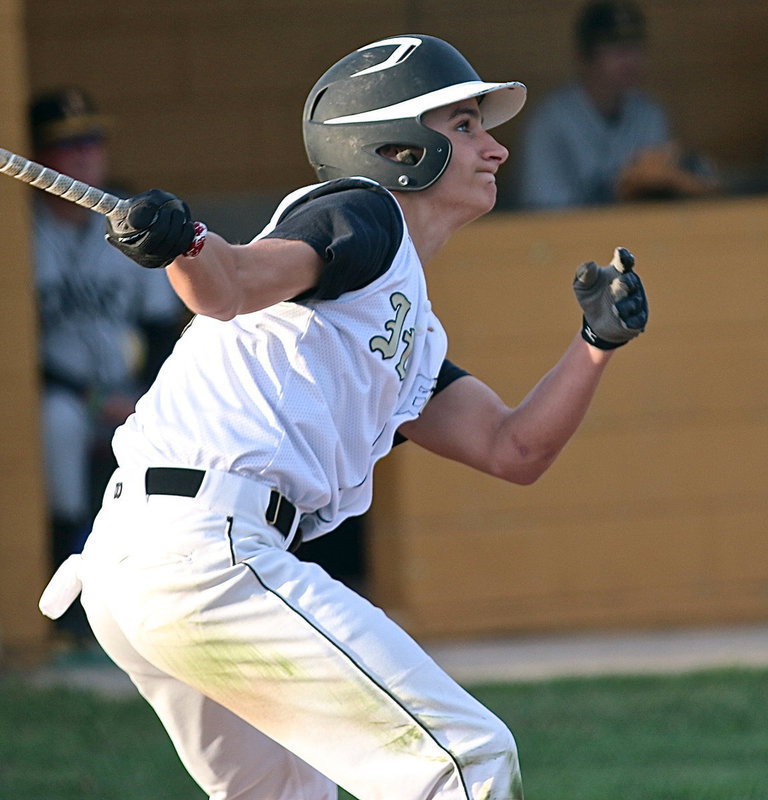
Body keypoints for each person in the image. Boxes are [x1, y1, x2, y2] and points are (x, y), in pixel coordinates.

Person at [39, 35, 648, 800]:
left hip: (148, 564)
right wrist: (183, 243)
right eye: (463, 127)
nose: (493, 148)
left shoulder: (408, 322)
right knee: (465, 760)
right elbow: (227, 285)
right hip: (202, 550)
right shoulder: (364, 215)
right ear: (396, 148)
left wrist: (598, 344)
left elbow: (513, 448)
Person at [29, 87, 183, 643]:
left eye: (92, 140)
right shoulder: (20, 227)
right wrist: (95, 399)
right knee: (59, 427)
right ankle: (63, 586)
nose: (85, 155)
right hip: (54, 392)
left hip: (127, 388)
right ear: (39, 157)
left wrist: (148, 395)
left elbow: (165, 326)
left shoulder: (129, 219)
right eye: (68, 145)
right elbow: (18, 354)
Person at [516, 0, 718, 209]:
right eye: (615, 47)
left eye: (634, 46)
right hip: (572, 239)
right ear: (586, 53)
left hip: (636, 237)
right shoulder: (550, 121)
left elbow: (660, 205)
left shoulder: (649, 113)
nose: (629, 58)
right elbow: (542, 210)